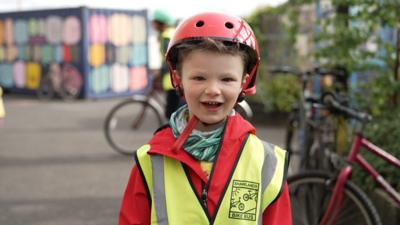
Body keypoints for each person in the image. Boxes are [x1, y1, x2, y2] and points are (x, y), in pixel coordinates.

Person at [119, 12, 291, 225]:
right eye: (199, 78)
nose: (212, 90)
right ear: (178, 78)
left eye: (227, 79)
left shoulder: (267, 163)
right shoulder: (150, 160)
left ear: (243, 83)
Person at [151, 9, 182, 119]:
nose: (152, 25)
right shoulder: (173, 33)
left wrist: (158, 75)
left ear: (162, 23)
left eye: (154, 22)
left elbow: (169, 59)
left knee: (171, 114)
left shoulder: (166, 36)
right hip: (175, 79)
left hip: (172, 81)